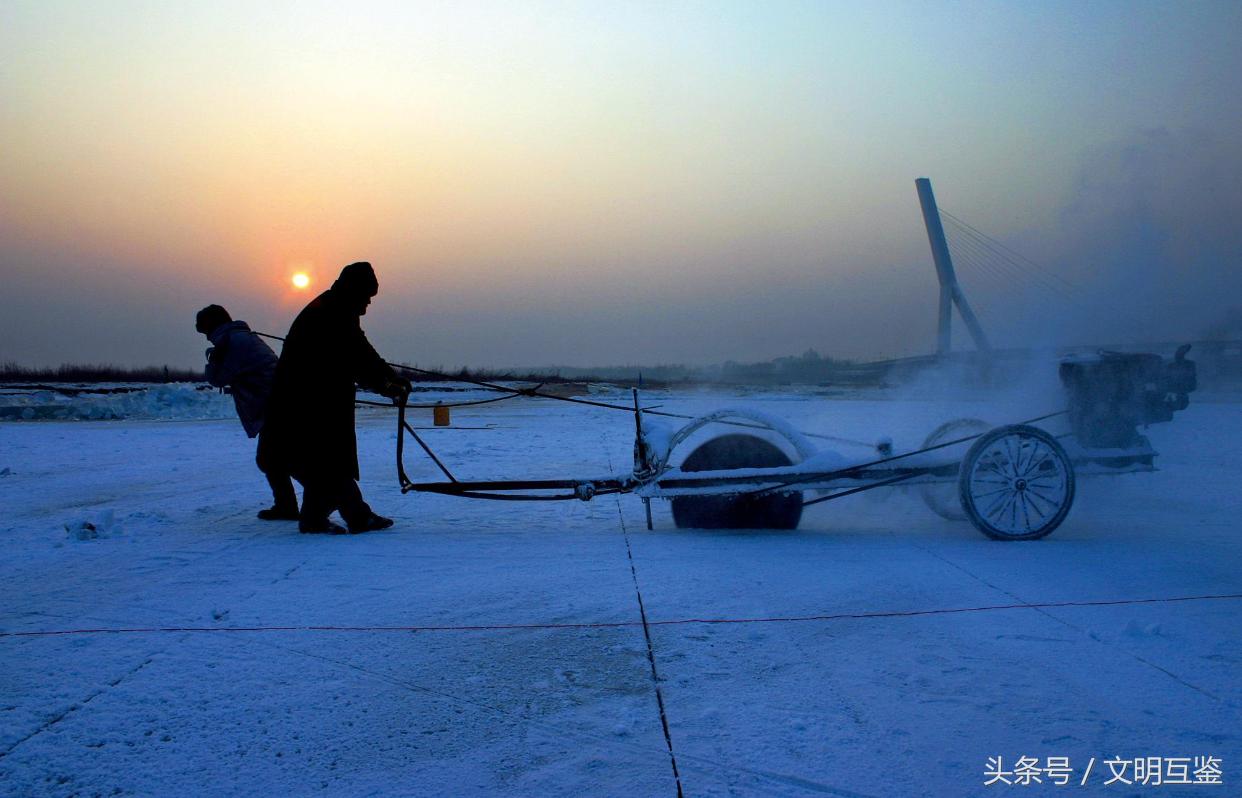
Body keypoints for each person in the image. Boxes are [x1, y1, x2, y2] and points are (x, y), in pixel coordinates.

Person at [263, 262, 411, 534]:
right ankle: (348, 517)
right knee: (327, 461)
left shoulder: (335, 308)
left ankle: (333, 517)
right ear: (354, 291)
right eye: (366, 297)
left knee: (327, 461)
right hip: (309, 403)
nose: (368, 304)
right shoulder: (332, 313)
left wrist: (390, 377)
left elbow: (361, 351)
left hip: (317, 401)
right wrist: (386, 384)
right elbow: (354, 357)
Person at [195, 304, 299, 520]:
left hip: (273, 405)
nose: (206, 338)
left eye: (205, 331)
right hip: (279, 402)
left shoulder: (229, 342)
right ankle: (289, 504)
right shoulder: (242, 337)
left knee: (273, 458)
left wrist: (213, 359)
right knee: (276, 458)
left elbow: (218, 378)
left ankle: (326, 495)